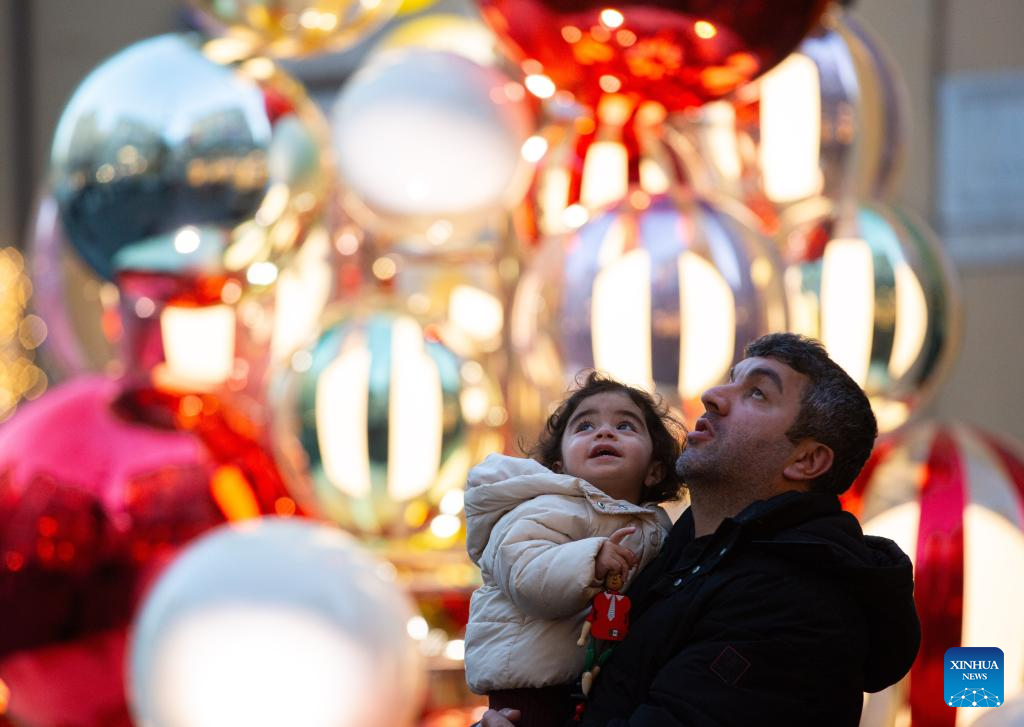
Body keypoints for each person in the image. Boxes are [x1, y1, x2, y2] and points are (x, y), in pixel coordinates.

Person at [479, 333, 921, 727]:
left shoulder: (797, 601)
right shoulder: (677, 552)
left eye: (757, 394)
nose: (712, 395)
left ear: (805, 461)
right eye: (730, 379)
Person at [463, 372, 686, 727]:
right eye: (585, 426)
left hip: (598, 685)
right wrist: (590, 559)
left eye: (626, 426)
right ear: (560, 467)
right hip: (532, 692)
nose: (604, 432)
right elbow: (524, 573)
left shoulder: (656, 526)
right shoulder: (545, 507)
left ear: (655, 470)